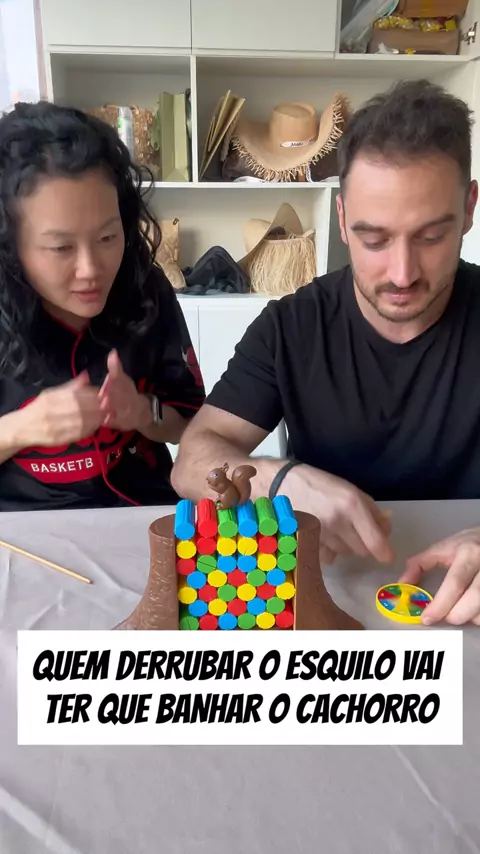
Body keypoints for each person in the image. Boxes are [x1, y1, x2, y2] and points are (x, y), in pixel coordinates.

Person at [172, 79, 480, 628]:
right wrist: (277, 481)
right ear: (340, 218)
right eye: (374, 239)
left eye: (432, 236)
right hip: (326, 604)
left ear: (470, 207)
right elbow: (192, 459)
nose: (402, 273)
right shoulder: (291, 327)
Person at [0, 100, 205, 511]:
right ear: (10, 247)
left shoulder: (145, 290)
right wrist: (21, 428)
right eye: (61, 247)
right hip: (24, 525)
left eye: (108, 238)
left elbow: (192, 427)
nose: (91, 270)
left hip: (141, 510)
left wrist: (142, 412)